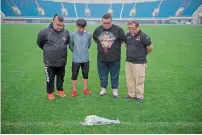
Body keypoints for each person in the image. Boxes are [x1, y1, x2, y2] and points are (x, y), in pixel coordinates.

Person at [37, 14, 70, 100]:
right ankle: (50, 92)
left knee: (61, 77)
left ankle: (60, 90)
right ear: (53, 21)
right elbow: (40, 43)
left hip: (62, 60)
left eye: (61, 25)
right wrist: (49, 51)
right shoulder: (44, 32)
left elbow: (66, 43)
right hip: (49, 61)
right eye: (58, 24)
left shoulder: (66, 32)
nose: (60, 27)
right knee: (50, 78)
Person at [93, 13, 125, 98]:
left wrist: (114, 47)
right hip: (101, 58)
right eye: (104, 23)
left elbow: (122, 40)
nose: (106, 25)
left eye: (108, 23)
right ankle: (103, 89)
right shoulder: (97, 30)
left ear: (111, 21)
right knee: (102, 75)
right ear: (102, 21)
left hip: (115, 57)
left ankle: (115, 90)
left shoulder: (118, 30)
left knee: (115, 75)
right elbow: (95, 40)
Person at [125, 20, 153, 103]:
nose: (131, 30)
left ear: (138, 27)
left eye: (133, 28)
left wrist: (142, 55)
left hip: (139, 62)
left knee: (139, 80)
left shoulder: (143, 36)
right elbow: (127, 45)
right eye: (129, 28)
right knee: (129, 79)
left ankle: (139, 96)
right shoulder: (128, 35)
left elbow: (150, 47)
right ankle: (131, 94)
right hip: (129, 61)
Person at [69, 19, 92, 97]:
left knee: (85, 74)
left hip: (85, 59)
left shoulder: (89, 35)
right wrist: (76, 52)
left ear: (85, 27)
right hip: (76, 59)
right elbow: (71, 46)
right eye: (80, 27)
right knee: (74, 75)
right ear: (77, 26)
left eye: (83, 27)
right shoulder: (72, 35)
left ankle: (85, 89)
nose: (81, 29)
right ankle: (74, 90)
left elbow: (89, 45)